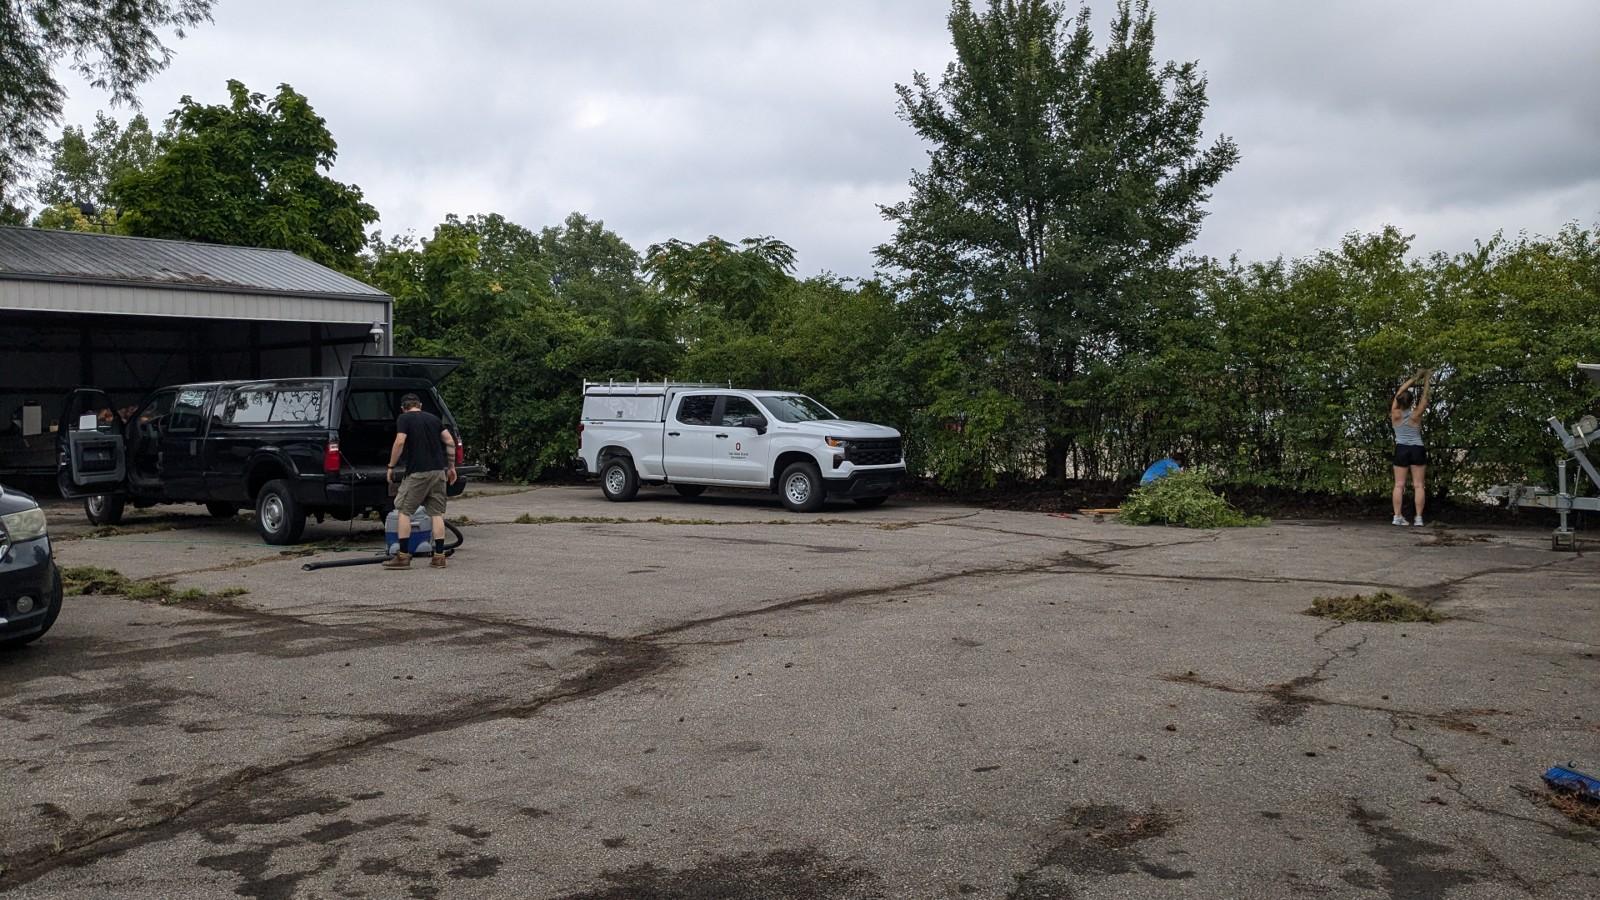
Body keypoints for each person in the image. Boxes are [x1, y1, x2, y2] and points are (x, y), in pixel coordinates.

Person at [383, 394, 457, 569]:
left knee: (403, 510)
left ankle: (402, 557)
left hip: (418, 473)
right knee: (436, 513)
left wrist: (391, 466)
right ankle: (439, 557)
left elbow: (400, 441)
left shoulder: (404, 418)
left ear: (403, 407)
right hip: (439, 472)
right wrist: (451, 467)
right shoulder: (433, 419)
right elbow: (449, 441)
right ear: (420, 405)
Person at [1390, 369, 1433, 527]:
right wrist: (1426, 379)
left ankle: (1397, 516)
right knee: (1419, 485)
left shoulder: (1394, 413)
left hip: (1401, 449)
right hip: (1417, 448)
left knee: (1399, 485)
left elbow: (1400, 390)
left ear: (1399, 401)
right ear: (1411, 402)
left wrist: (1415, 377)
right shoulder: (1416, 414)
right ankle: (1419, 518)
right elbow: (1425, 397)